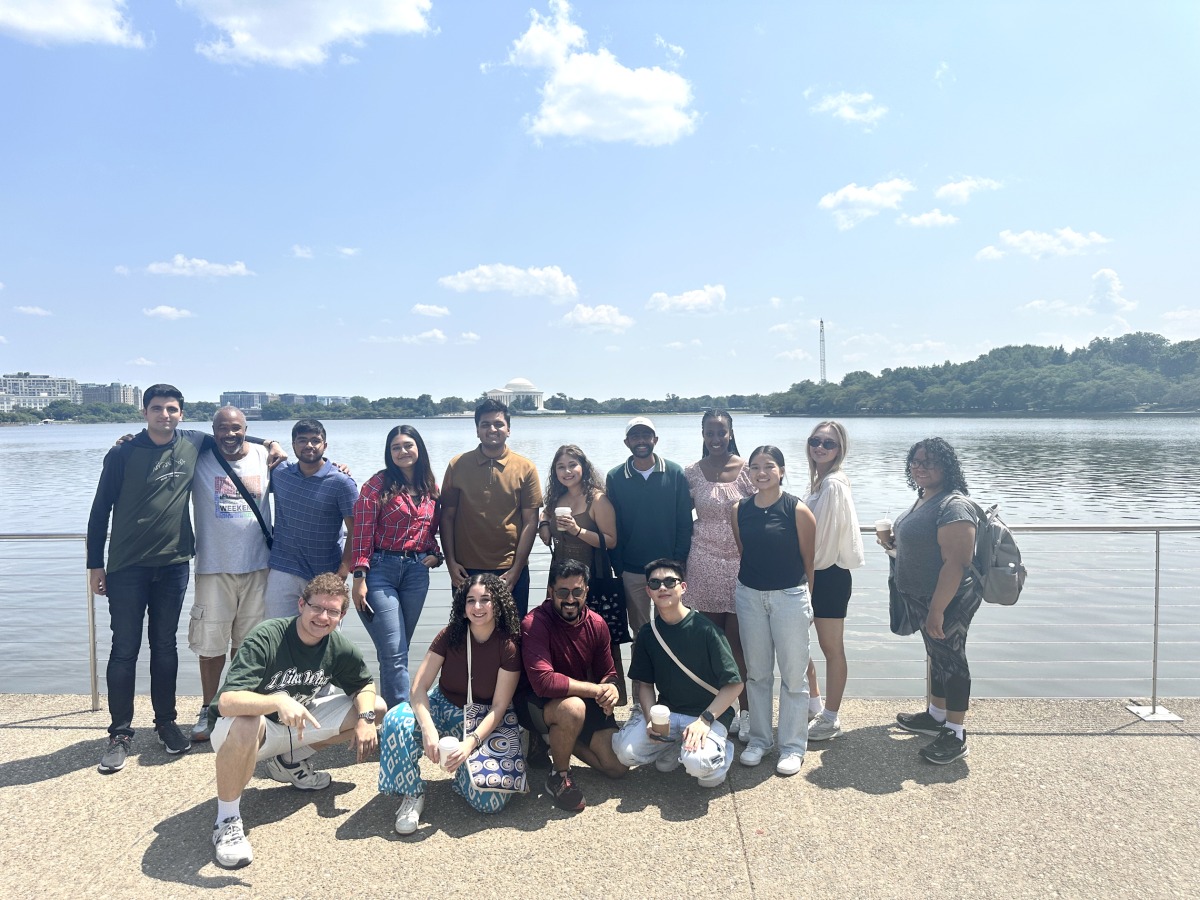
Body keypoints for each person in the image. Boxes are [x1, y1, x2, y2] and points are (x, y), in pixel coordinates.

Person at [87, 384, 284, 773]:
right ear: (144, 412)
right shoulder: (123, 453)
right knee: (124, 649)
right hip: (127, 566)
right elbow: (99, 511)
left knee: (165, 647)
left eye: (172, 409)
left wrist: (272, 441)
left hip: (174, 563)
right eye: (157, 408)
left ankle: (166, 723)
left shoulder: (193, 442)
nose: (165, 415)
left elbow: (233, 435)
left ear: (181, 414)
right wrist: (96, 564)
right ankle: (120, 733)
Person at [207, 573, 385, 869]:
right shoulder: (268, 636)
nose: (323, 617)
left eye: (332, 612)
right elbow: (226, 702)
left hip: (294, 727)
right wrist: (276, 701)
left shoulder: (337, 646)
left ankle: (289, 762)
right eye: (316, 607)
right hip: (245, 731)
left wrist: (366, 720)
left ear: (341, 616)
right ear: (302, 605)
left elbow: (363, 684)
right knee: (248, 721)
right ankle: (226, 821)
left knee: (375, 708)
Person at [379, 574, 523, 834]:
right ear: (462, 606)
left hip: (483, 718)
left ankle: (465, 774)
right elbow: (418, 689)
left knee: (489, 803)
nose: (477, 607)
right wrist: (428, 730)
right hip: (443, 704)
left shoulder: (508, 645)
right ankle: (412, 793)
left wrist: (469, 745)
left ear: (498, 604)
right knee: (395, 720)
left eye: (485, 600)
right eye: (470, 600)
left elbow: (499, 707)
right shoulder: (449, 635)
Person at [885, 437, 979, 765]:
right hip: (923, 596)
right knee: (938, 656)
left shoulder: (954, 505)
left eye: (929, 462)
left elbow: (957, 562)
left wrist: (938, 609)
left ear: (946, 466)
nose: (920, 467)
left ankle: (956, 733)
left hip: (948, 598)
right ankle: (936, 715)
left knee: (952, 659)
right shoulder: (926, 497)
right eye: (915, 461)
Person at [612, 559, 742, 788]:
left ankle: (720, 754)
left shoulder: (706, 630)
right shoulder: (648, 634)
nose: (662, 587)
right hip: (669, 713)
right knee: (625, 753)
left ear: (683, 587)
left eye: (670, 582)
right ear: (648, 591)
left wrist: (704, 720)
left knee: (700, 768)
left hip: (708, 714)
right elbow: (645, 685)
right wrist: (651, 720)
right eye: (655, 583)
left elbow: (735, 685)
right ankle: (674, 746)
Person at [188, 406, 273, 743]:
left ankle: (238, 707)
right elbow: (165, 442)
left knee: (248, 646)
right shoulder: (199, 456)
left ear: (246, 428)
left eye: (236, 428)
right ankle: (208, 709)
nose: (229, 434)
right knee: (210, 646)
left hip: (259, 567)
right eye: (222, 428)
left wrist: (337, 467)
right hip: (213, 568)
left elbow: (305, 472)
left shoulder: (266, 456)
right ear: (213, 430)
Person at [731, 446, 816, 777]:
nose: (761, 472)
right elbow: (745, 552)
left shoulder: (797, 509)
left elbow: (809, 561)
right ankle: (760, 740)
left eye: (769, 466)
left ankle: (792, 746)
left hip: (790, 597)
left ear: (782, 470)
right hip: (749, 596)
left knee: (794, 676)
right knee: (757, 674)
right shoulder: (739, 509)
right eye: (755, 467)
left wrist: (809, 603)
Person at [519, 560, 628, 812]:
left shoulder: (597, 624)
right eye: (562, 592)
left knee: (617, 767)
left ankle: (553, 739)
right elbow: (544, 682)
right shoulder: (534, 623)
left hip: (579, 697)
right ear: (550, 591)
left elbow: (608, 673)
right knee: (573, 708)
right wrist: (595, 690)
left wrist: (611, 689)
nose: (570, 599)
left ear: (586, 591)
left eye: (577, 591)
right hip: (536, 702)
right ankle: (559, 776)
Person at [351, 424, 444, 710]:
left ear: (419, 448)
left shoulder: (430, 487)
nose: (402, 451)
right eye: (396, 447)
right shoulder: (376, 485)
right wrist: (359, 577)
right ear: (389, 453)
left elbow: (430, 531)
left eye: (408, 445)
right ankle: (400, 718)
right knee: (393, 651)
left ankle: (389, 715)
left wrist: (436, 554)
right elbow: (362, 532)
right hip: (381, 571)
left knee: (398, 650)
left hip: (416, 573)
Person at [605, 417, 693, 698]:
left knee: (673, 630)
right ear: (627, 442)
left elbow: (684, 521)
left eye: (646, 435)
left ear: (655, 439)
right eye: (635, 436)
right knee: (641, 635)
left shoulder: (675, 472)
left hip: (669, 571)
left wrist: (679, 563)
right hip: (632, 570)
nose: (641, 441)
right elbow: (613, 524)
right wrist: (618, 566)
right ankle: (640, 701)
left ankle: (675, 697)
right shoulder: (615, 476)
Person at [682, 409, 754, 741]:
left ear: (731, 433)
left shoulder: (749, 470)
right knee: (710, 642)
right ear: (702, 435)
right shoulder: (691, 473)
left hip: (742, 563)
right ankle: (718, 712)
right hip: (703, 562)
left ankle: (748, 711)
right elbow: (678, 518)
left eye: (721, 432)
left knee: (739, 643)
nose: (715, 439)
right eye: (709, 433)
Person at [441, 398, 542, 616]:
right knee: (468, 630)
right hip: (465, 569)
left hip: (509, 569)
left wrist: (516, 569)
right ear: (477, 431)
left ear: (509, 430)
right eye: (485, 424)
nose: (492, 429)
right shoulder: (457, 465)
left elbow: (531, 522)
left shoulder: (526, 468)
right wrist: (451, 563)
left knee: (512, 631)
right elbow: (446, 517)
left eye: (498, 424)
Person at [537, 444, 623, 700]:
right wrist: (544, 525)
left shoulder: (597, 499)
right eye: (561, 467)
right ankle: (569, 690)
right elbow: (545, 513)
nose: (567, 471)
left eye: (572, 465)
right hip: (560, 577)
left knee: (598, 636)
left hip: (593, 578)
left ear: (583, 467)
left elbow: (611, 540)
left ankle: (610, 696)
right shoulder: (556, 498)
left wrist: (577, 530)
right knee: (561, 632)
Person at [802, 421, 865, 742]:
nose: (820, 447)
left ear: (840, 450)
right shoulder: (820, 482)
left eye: (829, 443)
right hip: (815, 573)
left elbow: (823, 544)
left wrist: (807, 582)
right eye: (816, 441)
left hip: (825, 575)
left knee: (831, 649)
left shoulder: (833, 485)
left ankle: (830, 716)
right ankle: (814, 703)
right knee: (797, 642)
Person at [262, 418, 358, 618]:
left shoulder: (341, 482)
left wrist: (342, 572)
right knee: (277, 630)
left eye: (315, 440)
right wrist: (272, 443)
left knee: (323, 631)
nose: (309, 445)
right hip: (283, 569)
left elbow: (356, 529)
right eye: (302, 440)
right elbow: (237, 439)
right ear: (293, 445)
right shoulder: (280, 473)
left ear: (325, 445)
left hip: (326, 573)